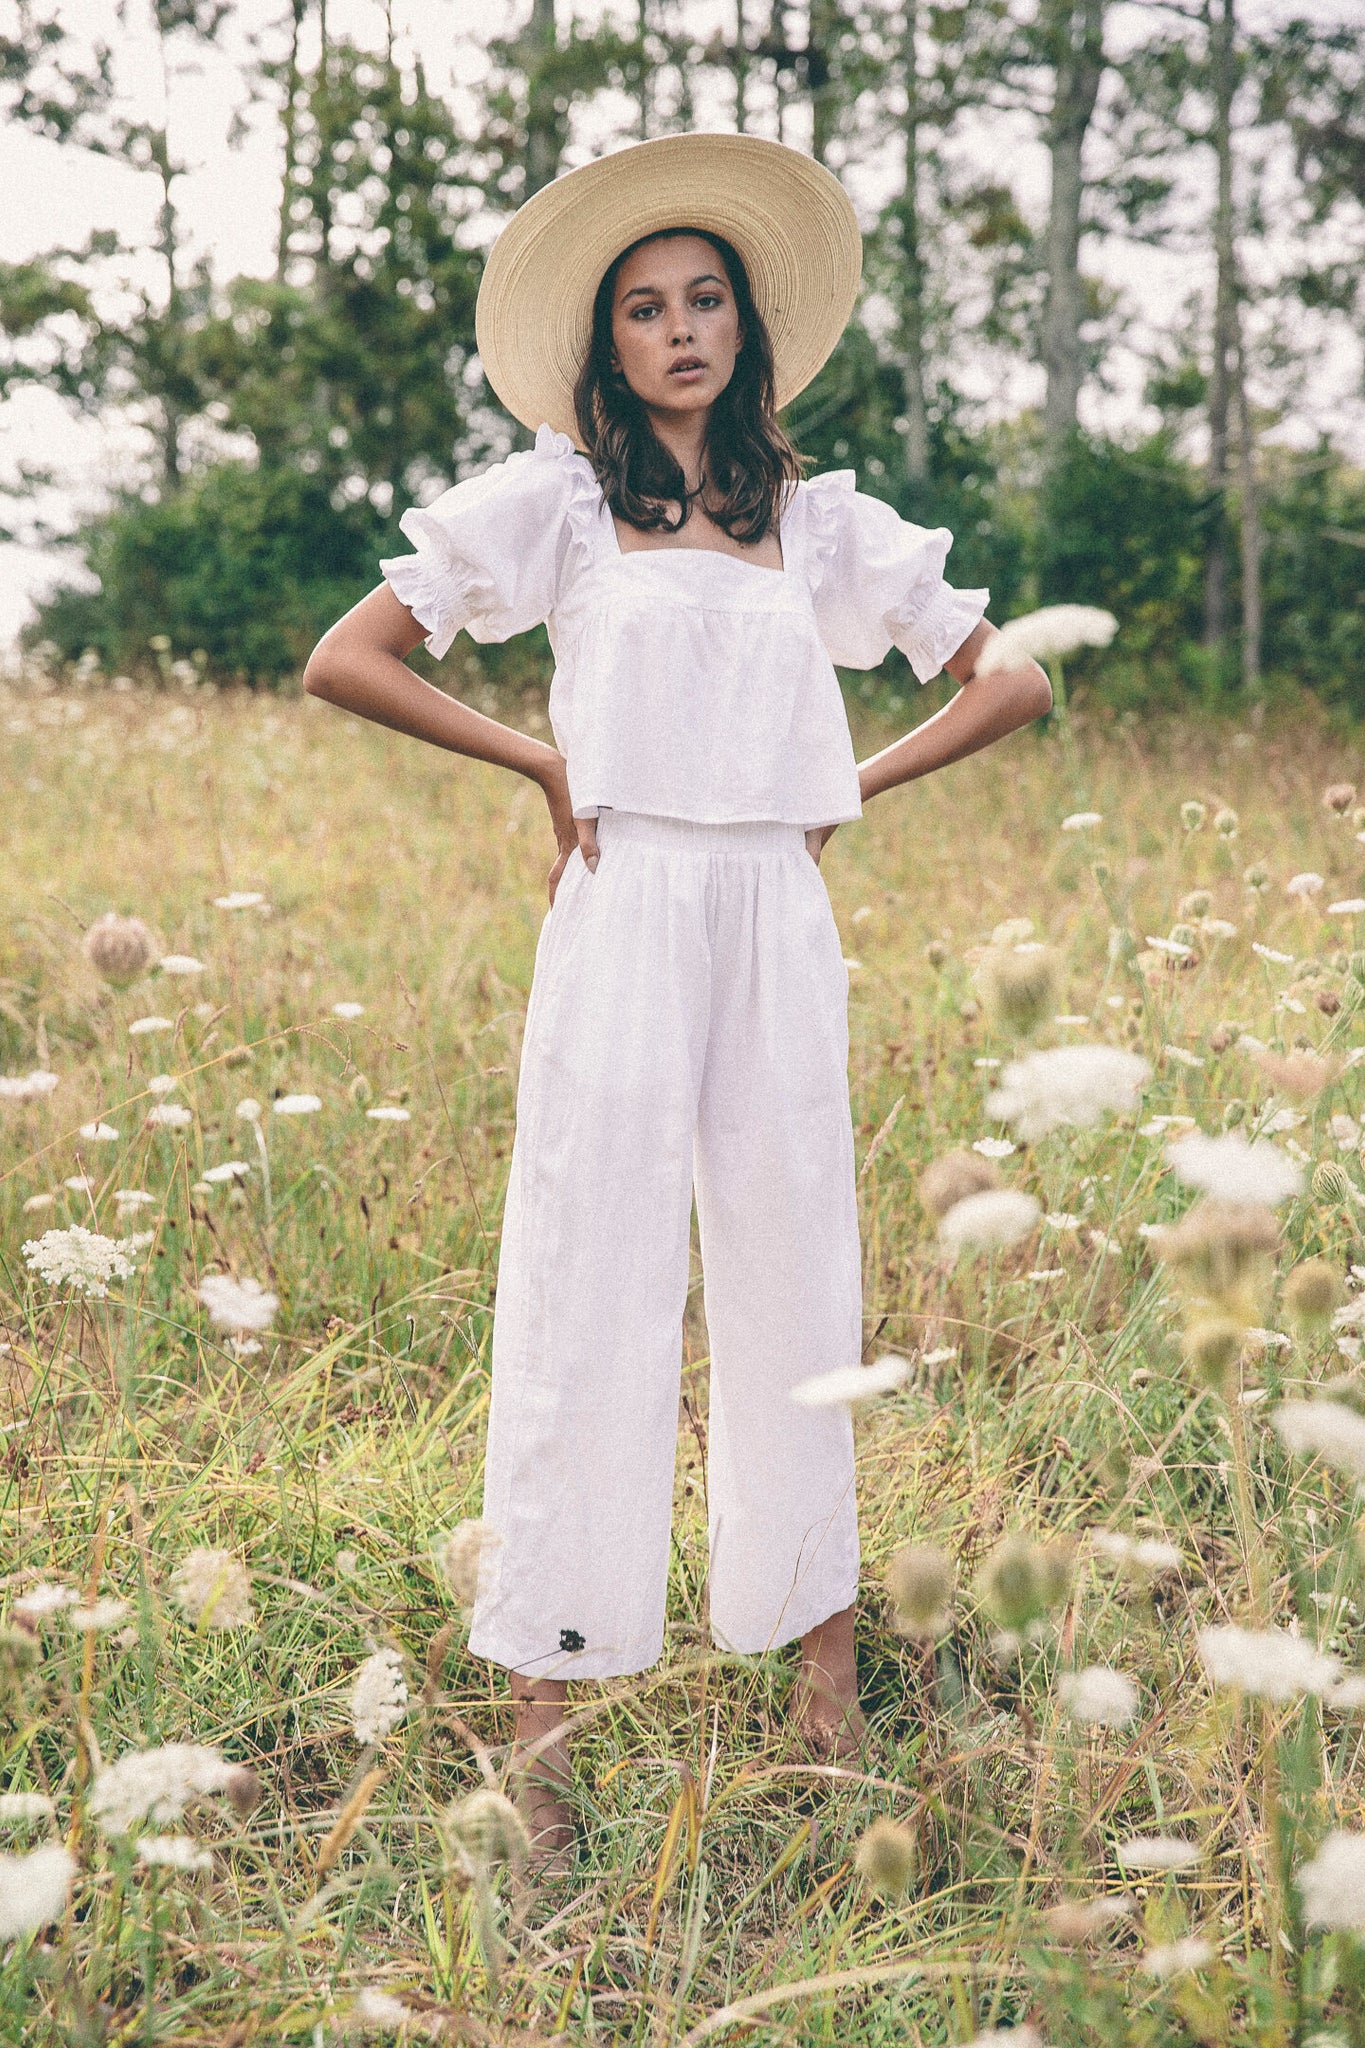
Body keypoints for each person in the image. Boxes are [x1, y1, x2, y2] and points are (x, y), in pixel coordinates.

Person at [304, 131, 1051, 1873]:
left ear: (747, 326)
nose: (680, 329)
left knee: (801, 1277)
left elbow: (1008, 677)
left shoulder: (825, 522)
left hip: (776, 911)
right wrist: (537, 763)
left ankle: (823, 1696)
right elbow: (349, 658)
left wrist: (848, 787)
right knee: (592, 1276)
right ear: (606, 347)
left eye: (705, 297)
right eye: (644, 309)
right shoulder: (554, 504)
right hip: (622, 895)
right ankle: (546, 1724)